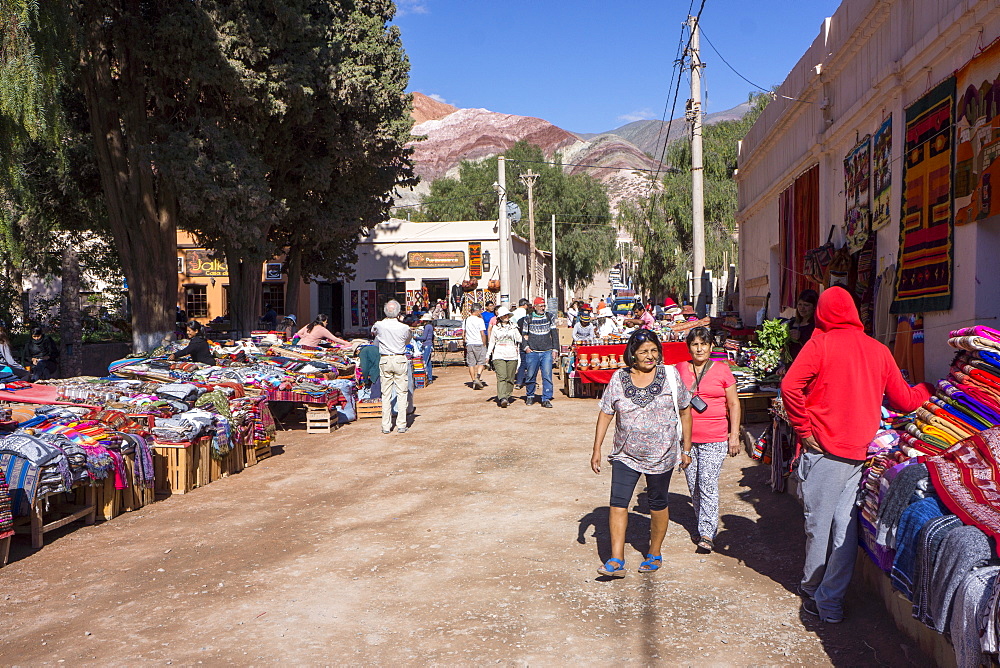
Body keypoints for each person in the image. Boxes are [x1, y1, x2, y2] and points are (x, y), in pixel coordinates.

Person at [781, 286, 933, 623]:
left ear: (822, 312)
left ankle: (812, 591)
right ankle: (831, 602)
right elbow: (906, 400)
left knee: (819, 526)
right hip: (859, 453)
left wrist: (804, 431)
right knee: (844, 530)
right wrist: (930, 389)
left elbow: (790, 386)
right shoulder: (878, 350)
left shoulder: (819, 344)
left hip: (825, 452)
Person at [590, 329, 692, 577]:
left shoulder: (670, 376)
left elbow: (686, 411)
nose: (650, 356)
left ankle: (654, 552)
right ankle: (616, 560)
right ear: (632, 355)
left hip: (662, 454)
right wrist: (597, 449)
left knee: (657, 503)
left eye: (654, 351)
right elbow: (606, 413)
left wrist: (686, 448)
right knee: (618, 503)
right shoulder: (618, 378)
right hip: (626, 453)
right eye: (644, 352)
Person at [676, 327, 741, 553]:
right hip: (687, 441)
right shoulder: (680, 369)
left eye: (703, 343)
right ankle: (702, 523)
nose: (699, 348)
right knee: (693, 485)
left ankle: (707, 532)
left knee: (707, 483)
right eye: (695, 344)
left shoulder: (722, 370)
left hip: (715, 437)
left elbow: (733, 404)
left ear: (711, 346)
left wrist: (734, 435)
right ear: (689, 347)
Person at [371, 300, 413, 434]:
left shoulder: (379, 325)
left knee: (386, 394)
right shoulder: (404, 327)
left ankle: (386, 425)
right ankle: (401, 424)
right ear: (398, 312)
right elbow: (408, 341)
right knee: (402, 393)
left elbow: (374, 333)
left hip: (385, 359)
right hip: (399, 358)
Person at [519, 297, 559, 408]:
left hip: (547, 351)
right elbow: (524, 335)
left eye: (544, 306)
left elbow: (554, 334)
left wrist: (555, 349)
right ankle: (530, 396)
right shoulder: (528, 318)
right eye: (540, 306)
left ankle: (546, 398)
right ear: (535, 307)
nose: (542, 308)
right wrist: (526, 347)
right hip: (532, 352)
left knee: (547, 376)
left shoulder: (549, 317)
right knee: (531, 375)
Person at [487, 306, 521, 408]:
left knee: (510, 378)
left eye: (507, 315)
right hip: (499, 354)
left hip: (512, 354)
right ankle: (502, 398)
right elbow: (492, 342)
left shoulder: (514, 327)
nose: (506, 317)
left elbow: (519, 339)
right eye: (504, 315)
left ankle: (507, 395)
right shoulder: (495, 328)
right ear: (500, 317)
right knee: (502, 377)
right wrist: (488, 355)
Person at [784, 289, 819, 359]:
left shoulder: (816, 326)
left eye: (806, 305)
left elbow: (817, 347)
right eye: (799, 304)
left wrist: (801, 337)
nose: (802, 308)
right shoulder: (791, 323)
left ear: (814, 306)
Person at [464, 303, 488, 390]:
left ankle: (473, 380)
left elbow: (464, 333)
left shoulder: (466, 320)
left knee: (471, 363)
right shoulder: (479, 320)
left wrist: (465, 341)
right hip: (478, 343)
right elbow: (482, 333)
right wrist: (484, 343)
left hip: (469, 343)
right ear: (477, 311)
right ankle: (478, 377)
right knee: (481, 362)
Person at [511, 298, 531, 389]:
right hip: (526, 339)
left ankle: (519, 381)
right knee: (529, 362)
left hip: (517, 338)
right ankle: (528, 381)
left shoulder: (514, 313)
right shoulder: (524, 314)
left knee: (522, 361)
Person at [417, 312, 435, 386]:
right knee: (428, 362)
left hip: (427, 345)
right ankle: (429, 378)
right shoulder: (430, 326)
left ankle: (427, 377)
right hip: (429, 344)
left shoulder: (427, 327)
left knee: (425, 362)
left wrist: (416, 337)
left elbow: (424, 337)